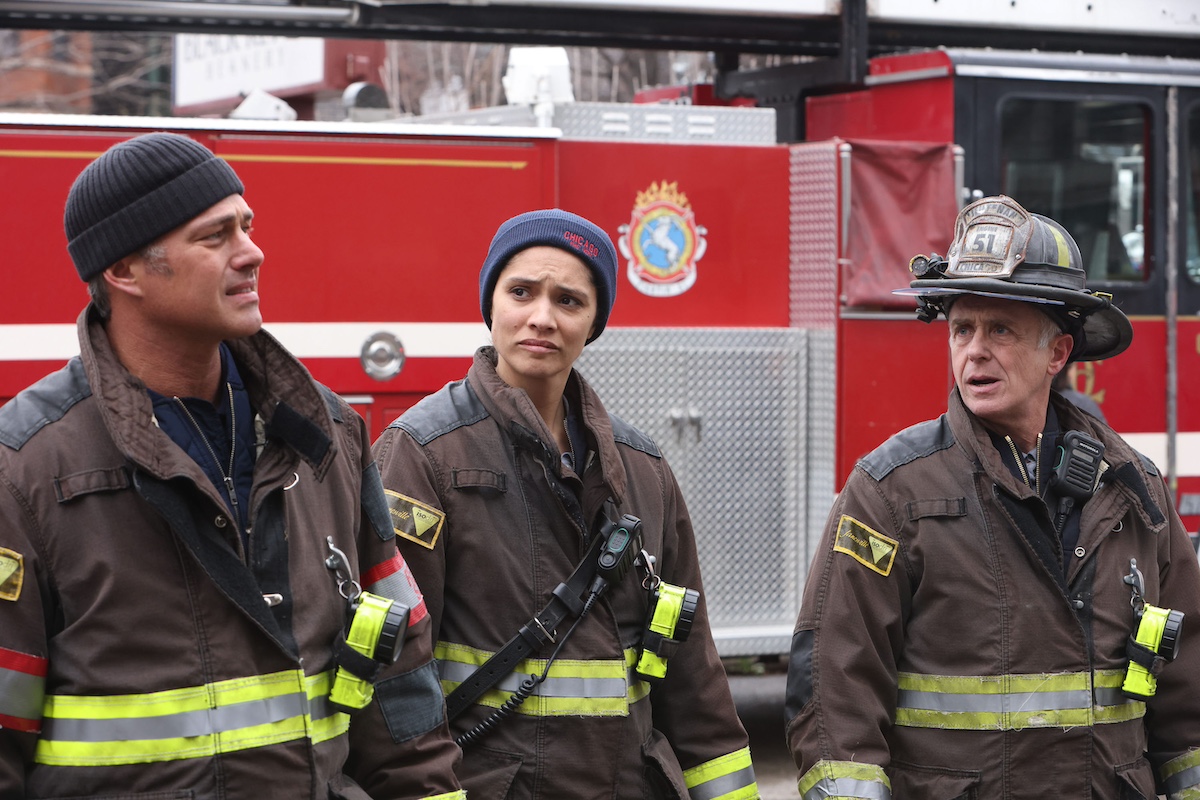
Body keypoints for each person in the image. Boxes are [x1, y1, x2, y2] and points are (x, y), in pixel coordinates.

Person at [0, 132, 464, 799]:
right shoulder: (25, 469)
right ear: (125, 271)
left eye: (246, 226)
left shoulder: (325, 435)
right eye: (215, 236)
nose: (253, 252)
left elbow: (402, 684)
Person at [785, 195, 1200, 799]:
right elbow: (835, 689)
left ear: (1058, 353)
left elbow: (1190, 688)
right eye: (961, 329)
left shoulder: (1133, 490)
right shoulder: (891, 491)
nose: (973, 350)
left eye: (1000, 329)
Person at [372, 209, 759, 800]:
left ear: (594, 320)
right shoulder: (421, 455)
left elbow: (694, 677)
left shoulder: (643, 468)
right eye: (521, 291)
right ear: (491, 303)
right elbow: (395, 671)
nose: (542, 318)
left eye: (569, 300)